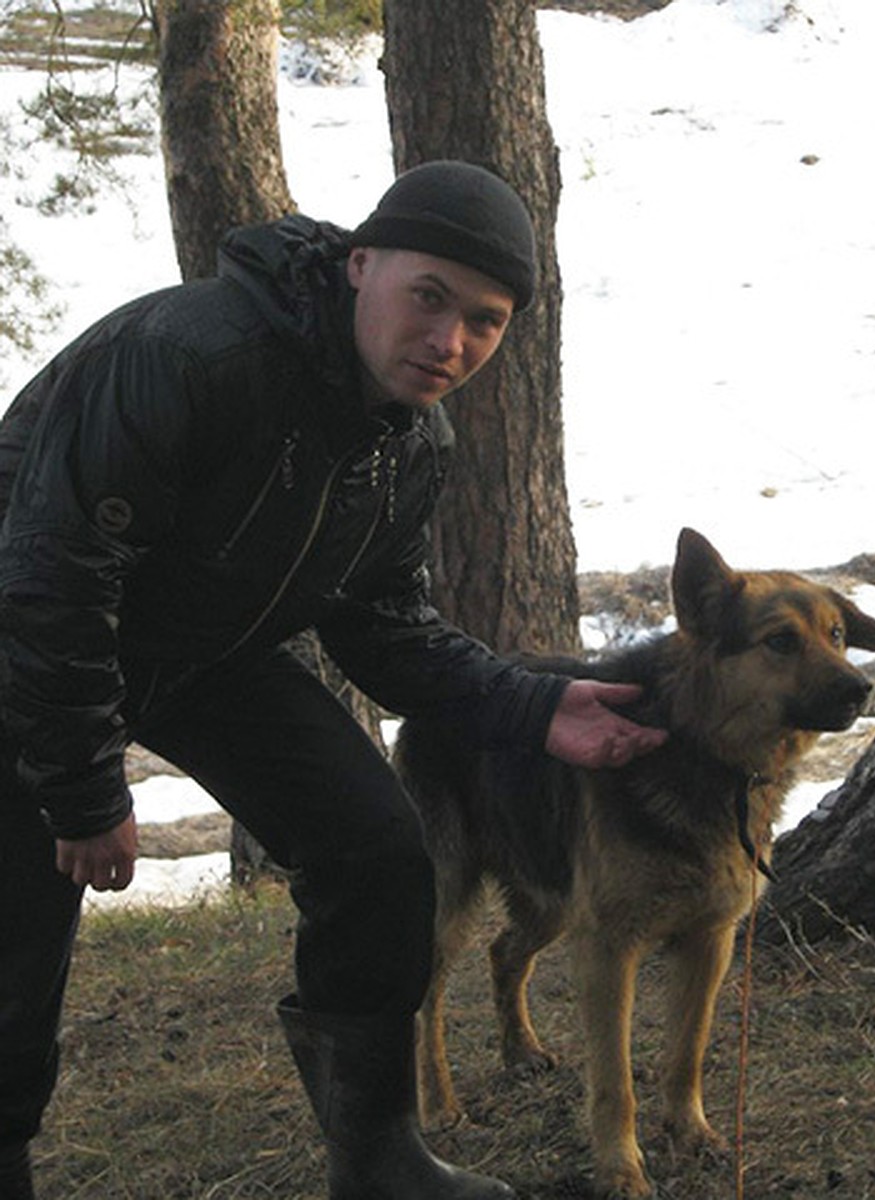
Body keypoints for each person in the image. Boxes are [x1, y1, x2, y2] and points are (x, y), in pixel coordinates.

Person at [0, 160, 666, 1200]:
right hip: (21, 641)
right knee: (16, 931)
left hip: (200, 654)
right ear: (361, 266)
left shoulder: (410, 442)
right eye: (429, 297)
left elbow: (384, 627)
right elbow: (49, 574)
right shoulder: (190, 354)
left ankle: (378, 1156)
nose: (450, 342)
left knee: (377, 848)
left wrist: (535, 704)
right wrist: (84, 787)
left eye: (484, 322)